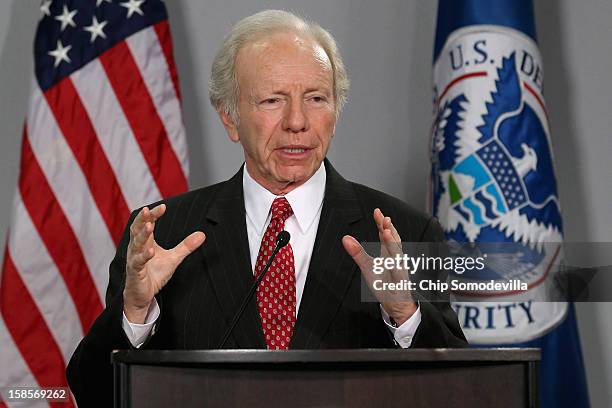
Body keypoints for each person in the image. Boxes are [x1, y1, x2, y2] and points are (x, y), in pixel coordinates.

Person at [67, 9, 467, 406]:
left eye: (315, 98)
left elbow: (459, 393)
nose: (297, 121)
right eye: (273, 100)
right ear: (230, 118)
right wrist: (134, 314)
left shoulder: (408, 234)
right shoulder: (164, 234)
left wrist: (406, 314)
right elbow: (94, 392)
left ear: (335, 113)